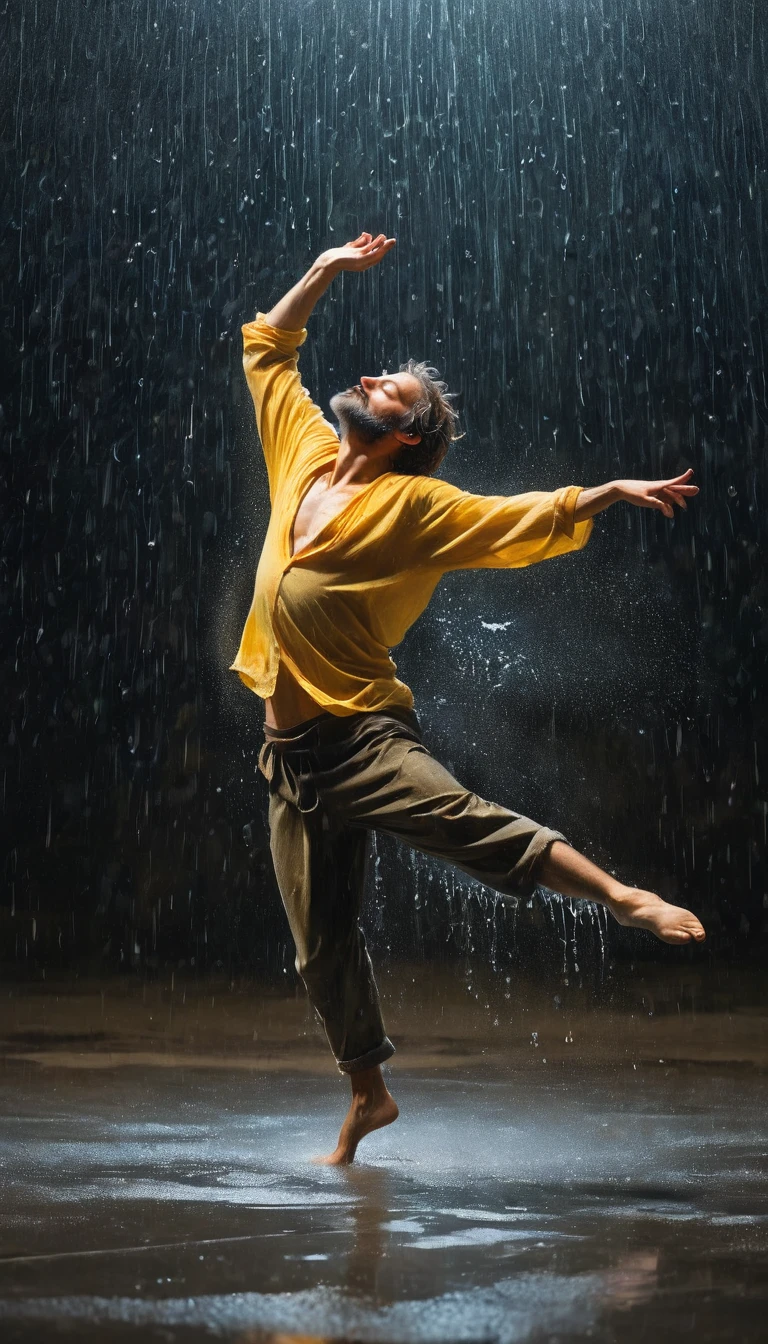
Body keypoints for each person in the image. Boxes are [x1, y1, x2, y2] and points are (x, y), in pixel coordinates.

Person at [230, 230, 705, 1166]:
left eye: (386, 393)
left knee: (456, 816)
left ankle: (621, 898)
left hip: (361, 734)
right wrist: (325, 270)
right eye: (375, 380)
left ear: (406, 436)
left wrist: (603, 492)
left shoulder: (417, 506)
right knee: (319, 949)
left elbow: (514, 520)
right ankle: (369, 1095)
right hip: (288, 759)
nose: (366, 381)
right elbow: (266, 349)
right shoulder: (302, 454)